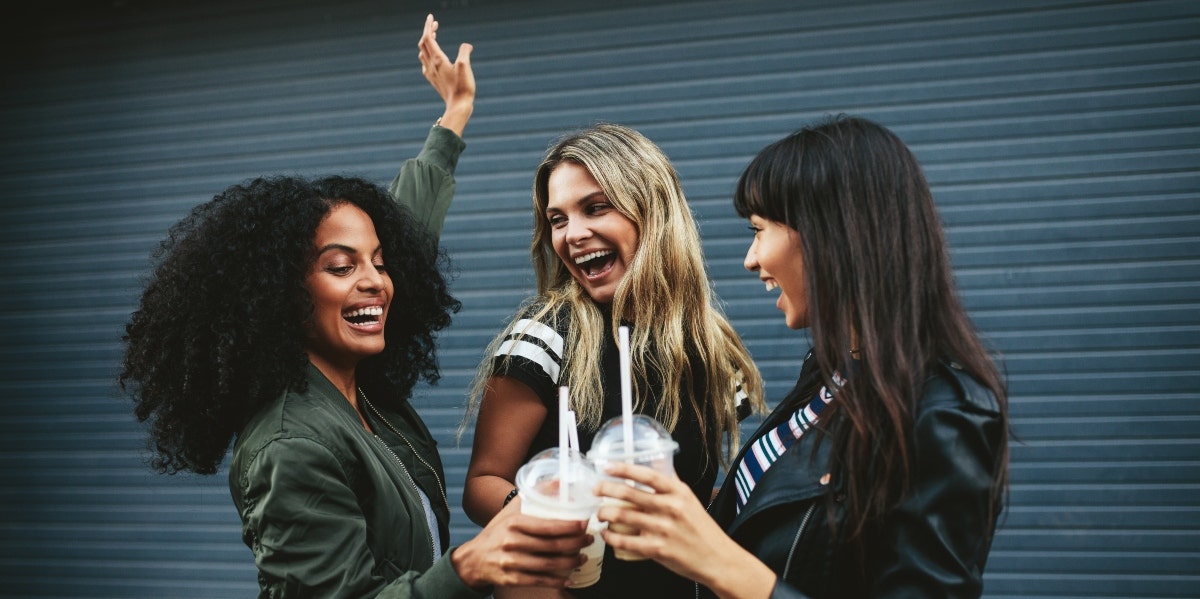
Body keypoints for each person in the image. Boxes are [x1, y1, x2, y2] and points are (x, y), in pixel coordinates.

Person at [119, 15, 591, 598]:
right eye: (342, 267)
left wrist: (454, 114)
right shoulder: (291, 449)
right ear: (279, 295)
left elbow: (409, 227)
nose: (377, 282)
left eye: (379, 262)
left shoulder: (355, 383)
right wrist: (468, 568)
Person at [594, 115, 1010, 598]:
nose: (751, 259)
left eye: (760, 230)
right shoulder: (835, 374)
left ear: (828, 235)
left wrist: (719, 561)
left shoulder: (943, 413)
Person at [461, 123, 766, 598]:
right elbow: (482, 482)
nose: (573, 234)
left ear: (652, 209)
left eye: (595, 208)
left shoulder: (712, 348)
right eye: (557, 218)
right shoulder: (544, 334)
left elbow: (697, 491)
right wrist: (547, 512)